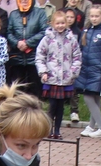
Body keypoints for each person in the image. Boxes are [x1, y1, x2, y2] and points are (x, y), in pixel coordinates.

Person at [35, 10, 82, 139]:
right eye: (57, 23)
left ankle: (57, 130)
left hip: (65, 78)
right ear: (52, 24)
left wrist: (73, 72)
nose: (60, 26)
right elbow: (40, 56)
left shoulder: (71, 39)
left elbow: (77, 57)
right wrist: (43, 71)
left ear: (66, 23)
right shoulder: (47, 39)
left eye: (62, 23)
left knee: (60, 107)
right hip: (51, 78)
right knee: (52, 106)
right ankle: (49, 129)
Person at [76, 4, 101, 138]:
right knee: (94, 97)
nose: (94, 18)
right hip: (85, 68)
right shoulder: (86, 31)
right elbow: (81, 48)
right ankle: (91, 126)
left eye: (97, 16)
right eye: (92, 16)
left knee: (89, 96)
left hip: (97, 69)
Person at [6, 0, 48, 98]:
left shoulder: (40, 13)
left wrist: (28, 43)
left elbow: (44, 31)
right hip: (17, 59)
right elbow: (9, 32)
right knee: (17, 93)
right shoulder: (13, 14)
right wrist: (17, 43)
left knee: (34, 92)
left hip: (34, 59)